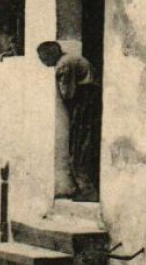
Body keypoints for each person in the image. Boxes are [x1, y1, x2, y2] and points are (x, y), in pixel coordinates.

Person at [38, 40, 100, 201]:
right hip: (90, 99)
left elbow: (67, 92)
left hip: (85, 101)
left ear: (50, 55)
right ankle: (85, 187)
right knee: (83, 144)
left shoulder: (63, 64)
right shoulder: (70, 59)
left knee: (79, 146)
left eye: (43, 57)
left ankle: (87, 189)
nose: (42, 61)